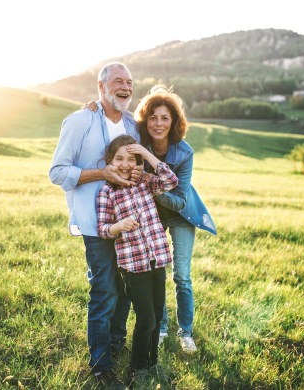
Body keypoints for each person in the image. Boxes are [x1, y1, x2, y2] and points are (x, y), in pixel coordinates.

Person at [84, 85, 217, 354]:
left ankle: (186, 332)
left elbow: (178, 197)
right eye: (153, 117)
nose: (158, 123)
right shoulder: (137, 143)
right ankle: (161, 328)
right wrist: (94, 107)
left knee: (181, 276)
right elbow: (115, 119)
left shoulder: (184, 152)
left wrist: (149, 181)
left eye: (165, 117)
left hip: (179, 213)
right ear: (146, 120)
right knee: (157, 274)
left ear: (174, 121)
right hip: (150, 218)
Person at [49, 62, 141, 389]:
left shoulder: (133, 123)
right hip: (94, 222)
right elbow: (58, 172)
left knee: (126, 288)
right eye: (118, 81)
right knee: (104, 290)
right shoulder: (80, 121)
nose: (125, 86)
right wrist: (101, 173)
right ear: (101, 87)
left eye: (130, 82)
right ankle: (101, 365)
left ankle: (116, 342)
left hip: (129, 223)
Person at [97, 135, 177, 383]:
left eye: (131, 159)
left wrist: (146, 153)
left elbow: (170, 180)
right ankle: (137, 368)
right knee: (147, 319)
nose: (125, 163)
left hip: (157, 260)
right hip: (133, 266)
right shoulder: (107, 192)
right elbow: (102, 228)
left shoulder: (143, 182)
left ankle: (153, 363)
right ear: (109, 161)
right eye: (119, 158)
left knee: (156, 315)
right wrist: (118, 225)